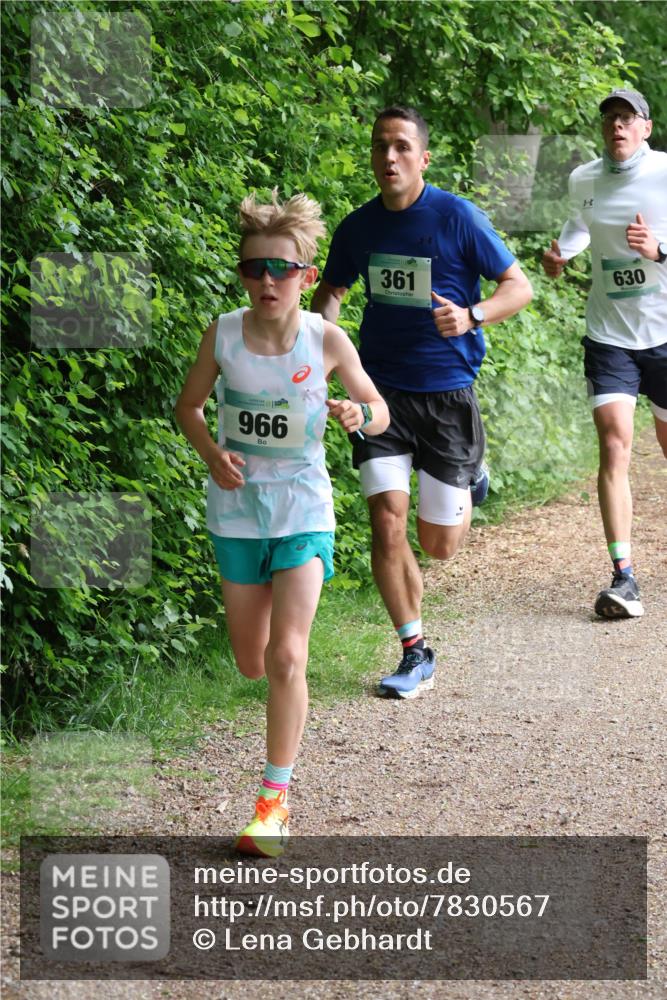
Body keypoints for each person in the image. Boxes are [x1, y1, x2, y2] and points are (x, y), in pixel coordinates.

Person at [175, 190, 389, 856]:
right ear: (241, 274)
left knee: (286, 657)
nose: (266, 281)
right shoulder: (224, 333)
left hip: (301, 507)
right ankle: (274, 786)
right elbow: (188, 409)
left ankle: (272, 804)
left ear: (304, 274)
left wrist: (360, 417)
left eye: (281, 269)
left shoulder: (326, 339)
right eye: (253, 268)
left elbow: (376, 408)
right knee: (249, 661)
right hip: (238, 513)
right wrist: (213, 457)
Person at [311, 106, 533, 699]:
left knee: (439, 544)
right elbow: (332, 291)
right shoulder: (358, 228)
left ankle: (472, 476)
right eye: (381, 146)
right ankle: (414, 650)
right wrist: (320, 345)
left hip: (446, 397)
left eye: (402, 146)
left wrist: (472, 314)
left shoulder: (456, 217)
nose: (390, 157)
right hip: (378, 393)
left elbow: (520, 286)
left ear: (423, 157)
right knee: (386, 520)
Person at [542, 89, 667, 619]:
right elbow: (579, 222)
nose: (616, 126)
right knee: (614, 444)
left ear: (645, 126)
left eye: (626, 118)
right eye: (609, 119)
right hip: (610, 334)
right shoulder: (584, 178)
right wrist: (561, 253)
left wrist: (658, 250)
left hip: (665, 333)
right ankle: (624, 577)